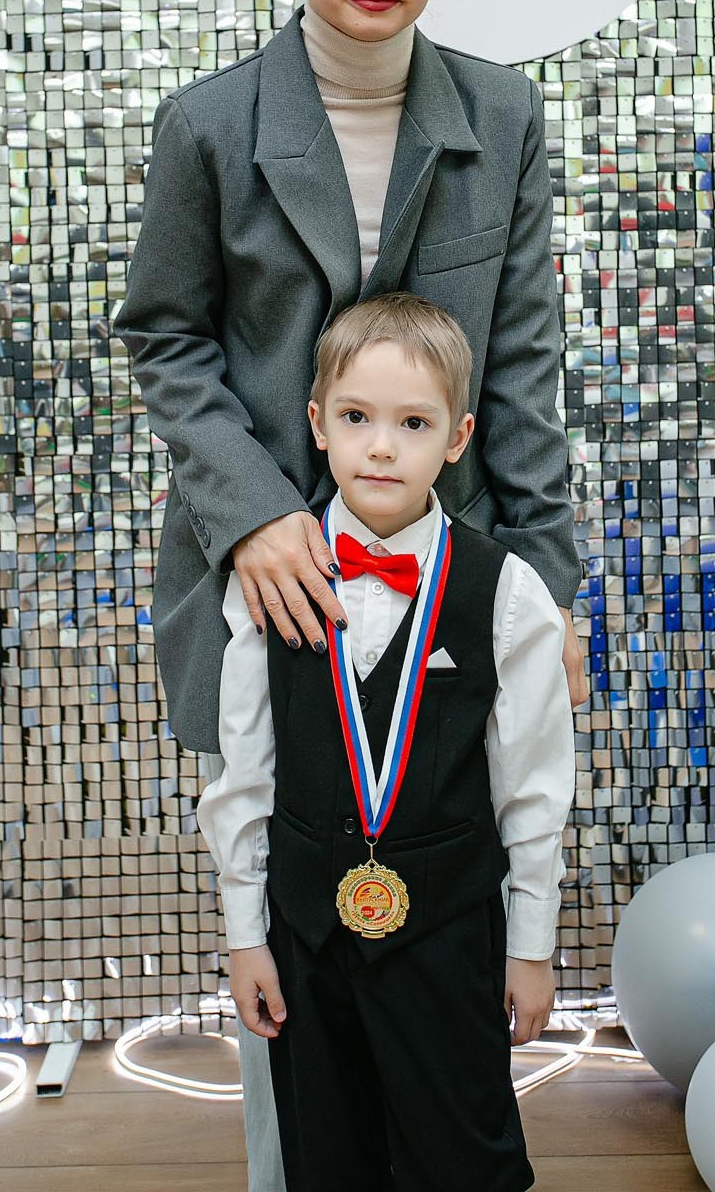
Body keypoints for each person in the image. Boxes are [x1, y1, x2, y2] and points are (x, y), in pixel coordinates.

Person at [114, 0, 584, 1190]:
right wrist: (255, 511)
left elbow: (521, 365)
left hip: (444, 590)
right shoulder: (207, 125)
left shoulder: (499, 115)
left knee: (441, 924)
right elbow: (165, 337)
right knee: (291, 940)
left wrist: (544, 586)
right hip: (270, 580)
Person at [198, 293, 576, 1191]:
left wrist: (529, 948)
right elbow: (244, 775)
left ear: (456, 437)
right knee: (329, 1161)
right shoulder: (270, 579)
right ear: (316, 425)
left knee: (467, 1159)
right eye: (357, 418)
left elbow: (531, 789)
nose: (379, 445)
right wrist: (246, 934)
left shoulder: (508, 591)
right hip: (306, 935)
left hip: (449, 936)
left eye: (411, 423)